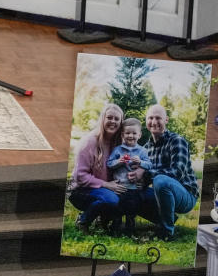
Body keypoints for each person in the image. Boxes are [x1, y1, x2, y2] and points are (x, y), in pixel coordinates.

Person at [135, 104, 199, 241]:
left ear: (166, 120)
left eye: (158, 118)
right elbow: (144, 175)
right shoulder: (146, 148)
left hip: (186, 195)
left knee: (160, 180)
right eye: (150, 118)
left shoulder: (177, 141)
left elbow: (177, 172)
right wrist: (139, 181)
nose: (154, 122)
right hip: (164, 194)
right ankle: (163, 218)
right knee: (134, 189)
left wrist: (147, 175)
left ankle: (166, 232)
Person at [67, 103, 124, 234]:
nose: (113, 122)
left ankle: (103, 221)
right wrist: (106, 184)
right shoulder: (89, 142)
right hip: (80, 190)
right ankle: (83, 220)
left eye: (117, 119)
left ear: (121, 123)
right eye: (109, 117)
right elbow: (80, 176)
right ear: (102, 119)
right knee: (111, 199)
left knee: (126, 195)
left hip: (105, 188)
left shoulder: (118, 144)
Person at [105, 118, 151, 236]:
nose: (131, 136)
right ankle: (116, 228)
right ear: (122, 134)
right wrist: (119, 162)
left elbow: (149, 165)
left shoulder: (142, 151)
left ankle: (130, 229)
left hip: (133, 188)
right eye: (128, 133)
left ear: (139, 135)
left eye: (134, 133)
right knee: (117, 209)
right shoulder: (118, 150)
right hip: (119, 186)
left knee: (132, 209)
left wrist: (140, 162)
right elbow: (109, 164)